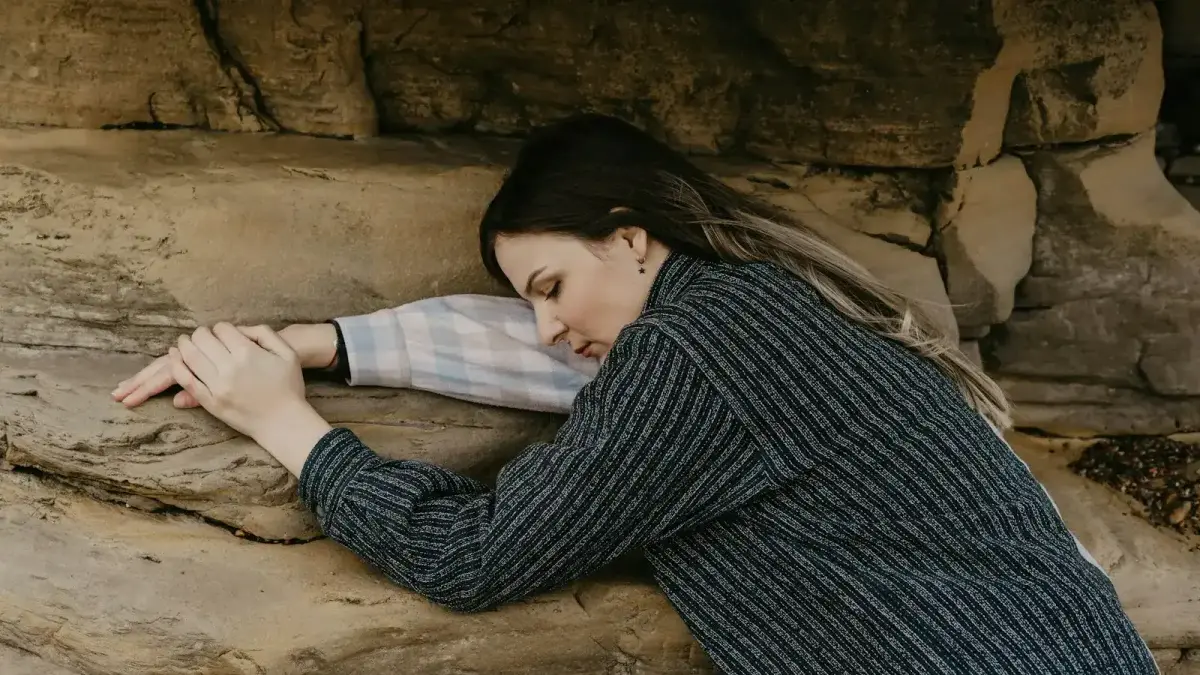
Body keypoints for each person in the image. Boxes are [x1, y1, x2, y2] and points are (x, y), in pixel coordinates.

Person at [113, 114, 1157, 674]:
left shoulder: (693, 354)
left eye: (549, 287)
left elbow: (473, 559)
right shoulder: (763, 302)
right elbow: (538, 355)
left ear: (628, 237)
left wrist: (286, 422)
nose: (547, 327)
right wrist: (321, 343)